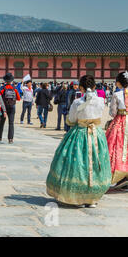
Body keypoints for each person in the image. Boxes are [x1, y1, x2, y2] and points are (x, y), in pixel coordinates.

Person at [46, 75, 111, 207]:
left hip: (80, 133)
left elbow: (71, 119)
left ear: (81, 88)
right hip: (96, 134)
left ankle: (77, 196)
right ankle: (92, 197)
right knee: (95, 162)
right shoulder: (101, 100)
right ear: (94, 87)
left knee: (78, 163)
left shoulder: (77, 102)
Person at [105, 71, 128, 189]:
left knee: (116, 147)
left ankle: (118, 173)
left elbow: (112, 113)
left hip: (120, 121)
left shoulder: (117, 94)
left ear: (119, 82)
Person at [0, 73, 20, 144]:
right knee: (11, 123)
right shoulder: (14, 88)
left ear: (5, 80)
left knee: (2, 122)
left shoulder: (2, 88)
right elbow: (18, 98)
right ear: (11, 80)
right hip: (12, 107)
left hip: (4, 107)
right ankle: (10, 139)